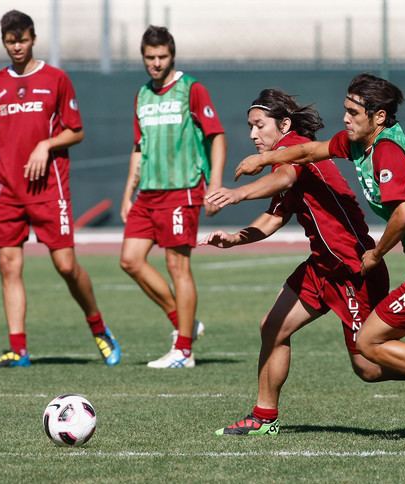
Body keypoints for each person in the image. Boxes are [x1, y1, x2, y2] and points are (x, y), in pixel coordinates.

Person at [234, 74, 405, 440]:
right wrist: (265, 158)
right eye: (345, 109)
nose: (345, 118)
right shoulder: (359, 144)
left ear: (378, 117)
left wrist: (376, 254)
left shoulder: (386, 151)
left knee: (369, 346)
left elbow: (404, 214)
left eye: (353, 112)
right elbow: (307, 152)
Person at [0, 10, 120, 368]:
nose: (16, 47)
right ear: (3, 42)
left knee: (66, 266)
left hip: (49, 189)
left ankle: (99, 327)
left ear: (33, 38)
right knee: (8, 265)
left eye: (21, 40)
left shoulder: (56, 79)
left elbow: (76, 130)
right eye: (10, 41)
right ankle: (18, 349)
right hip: (6, 190)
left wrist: (45, 145)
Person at [119, 25, 226, 369]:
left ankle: (183, 351)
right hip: (147, 192)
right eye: (150, 58)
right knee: (130, 260)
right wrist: (127, 192)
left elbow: (217, 137)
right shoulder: (142, 95)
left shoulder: (191, 89)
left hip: (182, 189)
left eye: (162, 56)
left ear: (172, 55)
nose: (156, 63)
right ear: (143, 58)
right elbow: (139, 147)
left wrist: (215, 185)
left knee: (177, 266)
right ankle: (186, 324)